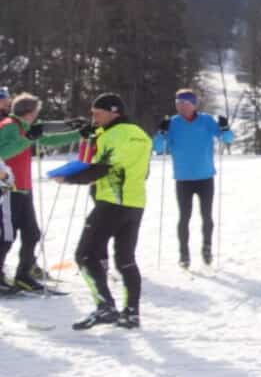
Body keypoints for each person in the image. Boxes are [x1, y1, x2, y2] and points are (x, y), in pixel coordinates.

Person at [61, 93, 152, 330]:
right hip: (135, 203)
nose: (94, 118)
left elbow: (100, 169)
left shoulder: (113, 135)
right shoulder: (141, 135)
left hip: (111, 202)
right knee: (125, 259)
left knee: (85, 255)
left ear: (114, 112)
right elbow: (144, 172)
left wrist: (67, 177)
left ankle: (105, 307)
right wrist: (93, 136)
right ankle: (131, 313)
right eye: (92, 114)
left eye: (98, 114)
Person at [0, 94, 87, 294]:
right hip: (9, 189)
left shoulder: (24, 127)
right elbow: (2, 153)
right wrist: (27, 139)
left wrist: (78, 134)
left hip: (24, 189)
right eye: (36, 112)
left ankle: (23, 276)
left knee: (32, 234)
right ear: (30, 112)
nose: (37, 116)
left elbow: (49, 139)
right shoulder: (9, 126)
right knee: (6, 236)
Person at [152, 87, 235, 268]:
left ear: (193, 104)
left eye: (185, 103)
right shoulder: (173, 123)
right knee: (184, 217)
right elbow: (158, 148)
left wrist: (225, 127)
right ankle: (184, 254)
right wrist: (161, 132)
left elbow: (227, 139)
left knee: (207, 216)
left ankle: (207, 247)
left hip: (205, 177)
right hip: (183, 179)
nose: (181, 106)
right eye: (178, 103)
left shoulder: (206, 120)